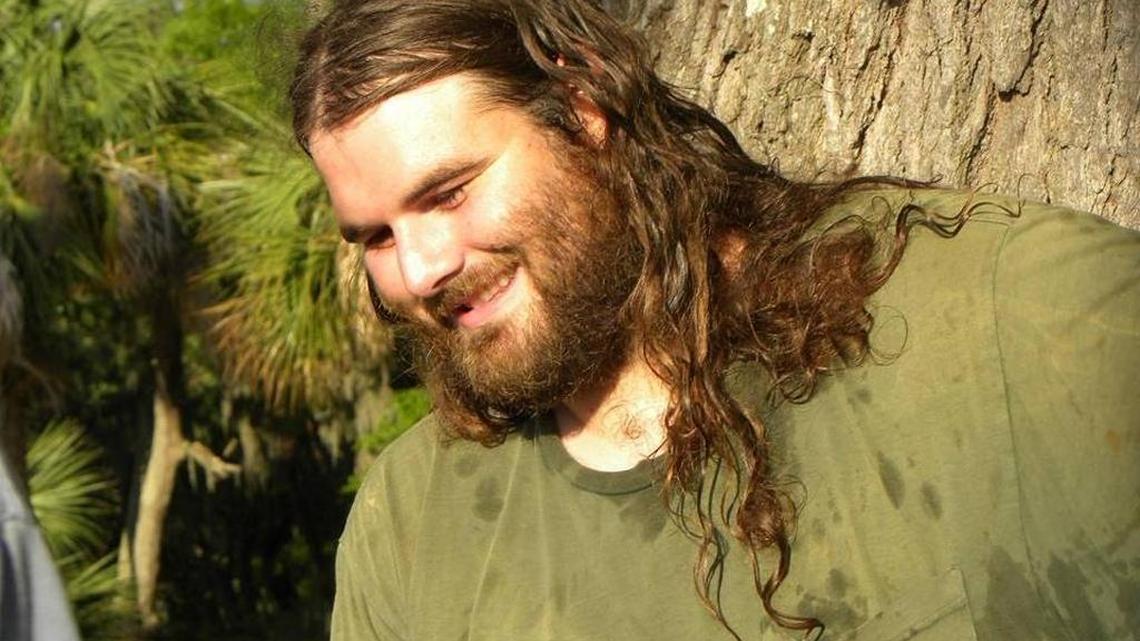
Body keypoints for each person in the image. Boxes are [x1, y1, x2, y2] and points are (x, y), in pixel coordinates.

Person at [290, 1, 1140, 639]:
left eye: (447, 193)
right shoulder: (410, 527)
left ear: (582, 109)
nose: (419, 271)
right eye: (376, 237)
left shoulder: (1018, 314)